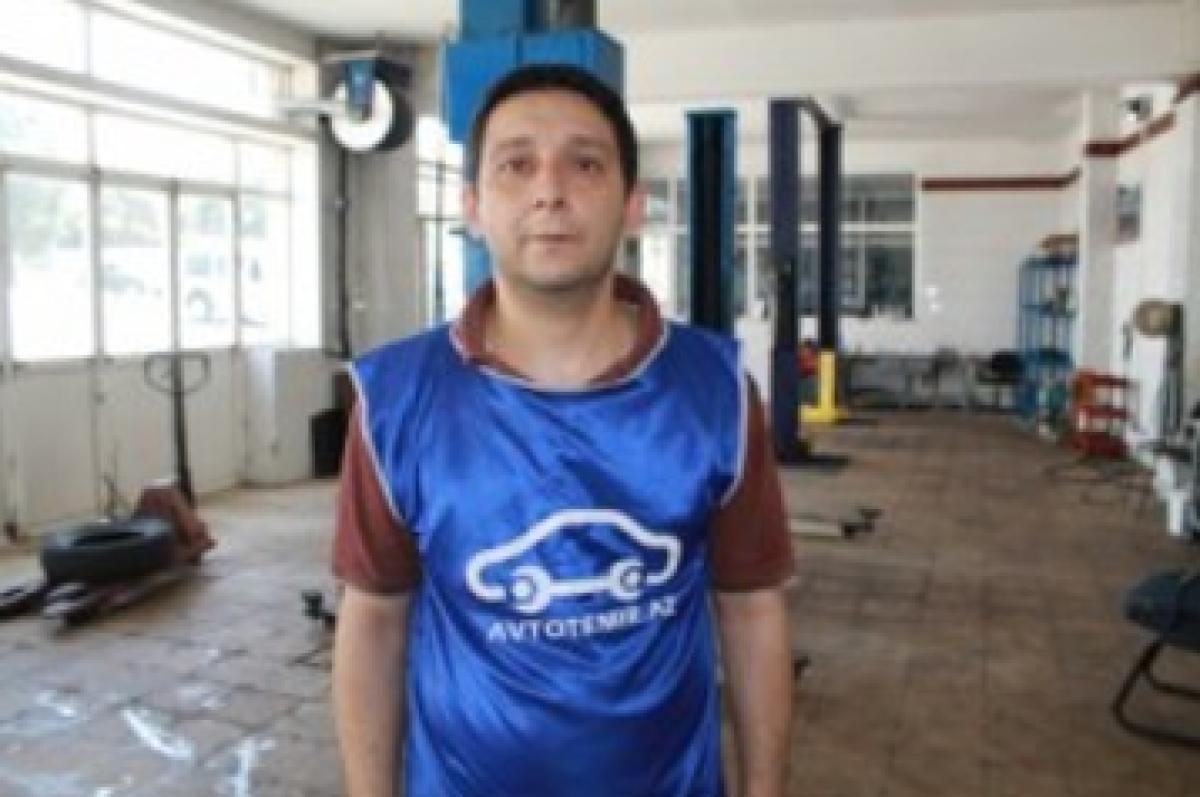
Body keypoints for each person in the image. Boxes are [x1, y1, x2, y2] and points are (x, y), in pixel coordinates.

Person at [332, 63, 795, 797]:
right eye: (517, 165)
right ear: (474, 207)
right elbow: (374, 618)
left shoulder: (716, 394)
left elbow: (750, 608)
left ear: (632, 205)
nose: (550, 191)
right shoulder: (396, 400)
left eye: (585, 164)